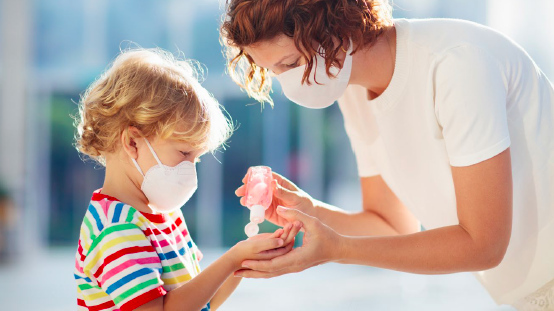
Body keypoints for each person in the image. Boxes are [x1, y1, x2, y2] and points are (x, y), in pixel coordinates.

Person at [220, 0, 554, 309]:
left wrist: (338, 250)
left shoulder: (455, 63)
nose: (289, 85)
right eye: (275, 73)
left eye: (290, 64)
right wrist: (309, 211)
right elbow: (392, 227)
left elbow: (484, 245)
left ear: (332, 25)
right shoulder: (352, 90)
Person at [72, 48, 302, 311]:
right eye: (184, 152)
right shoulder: (116, 230)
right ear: (132, 142)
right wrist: (232, 259)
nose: (190, 169)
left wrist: (244, 258)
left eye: (197, 157)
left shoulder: (166, 214)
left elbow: (202, 301)